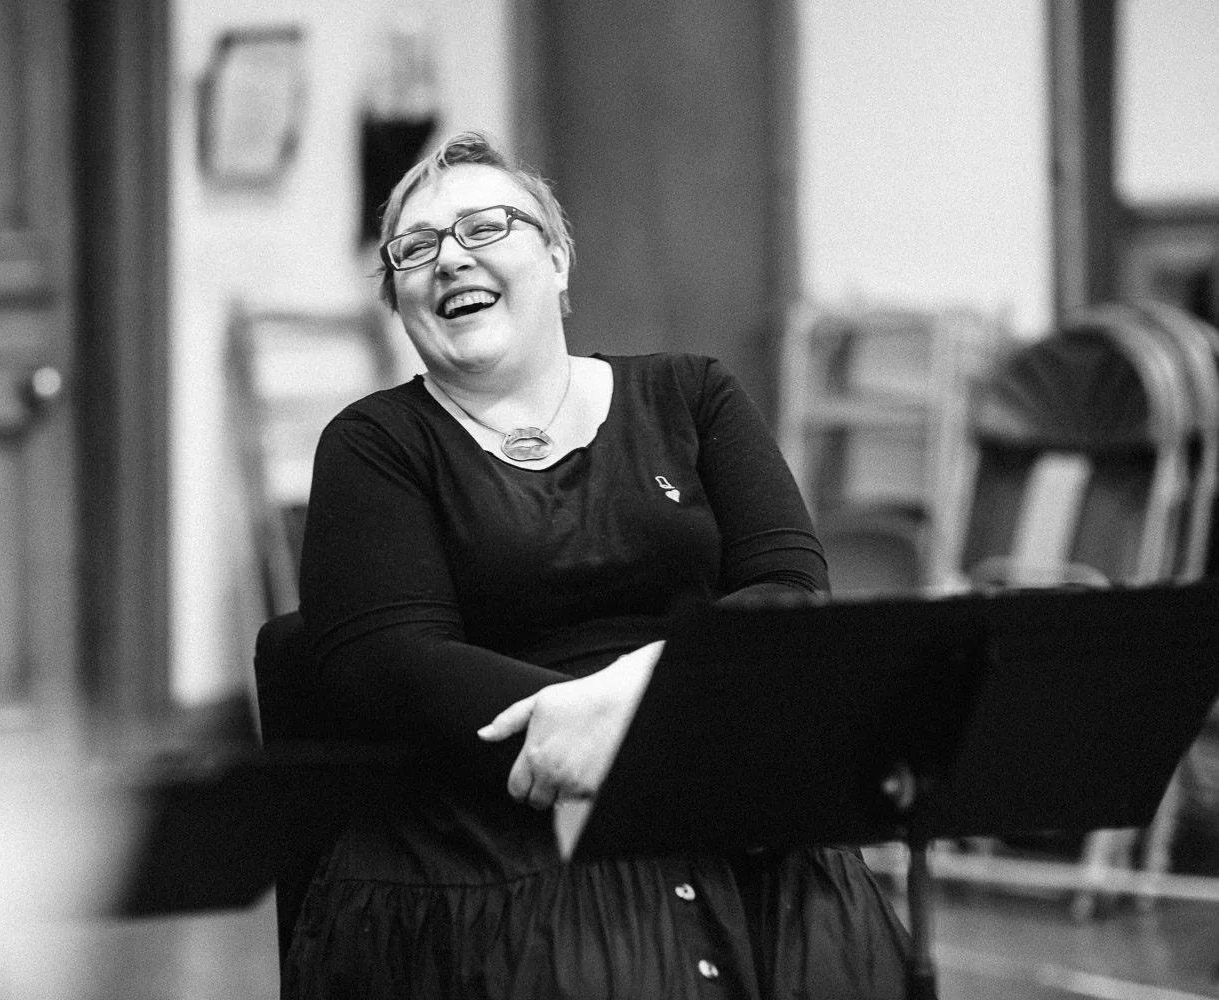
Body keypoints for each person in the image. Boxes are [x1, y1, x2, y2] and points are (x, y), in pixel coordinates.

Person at [287, 129, 910, 999]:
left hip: (718, 785)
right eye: (415, 248)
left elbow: (790, 592)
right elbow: (387, 662)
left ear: (558, 259)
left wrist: (643, 704)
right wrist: (591, 729)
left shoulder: (692, 393)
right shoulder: (373, 444)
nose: (448, 260)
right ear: (400, 299)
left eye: (484, 228)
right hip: (492, 832)